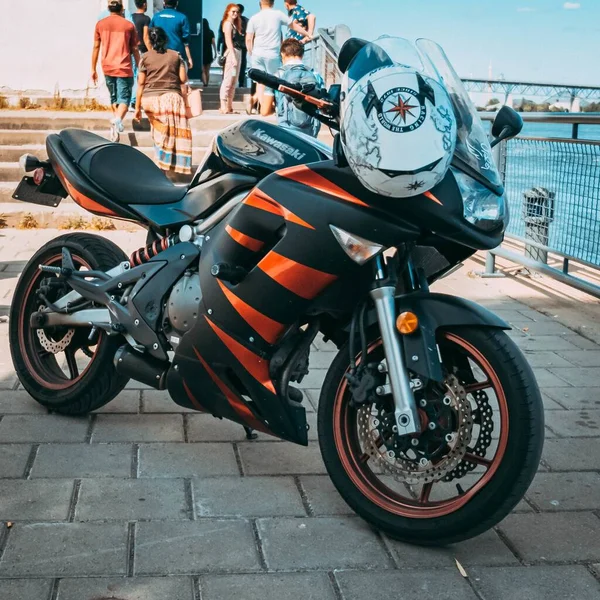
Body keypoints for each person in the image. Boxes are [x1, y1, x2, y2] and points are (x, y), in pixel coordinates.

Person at [134, 27, 192, 176]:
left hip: (149, 101)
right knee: (167, 134)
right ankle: (162, 169)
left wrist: (137, 108)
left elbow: (141, 83)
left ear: (151, 41)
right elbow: (183, 79)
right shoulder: (175, 55)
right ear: (165, 39)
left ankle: (161, 166)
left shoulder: (145, 57)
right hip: (170, 99)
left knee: (159, 132)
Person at [246, 0, 311, 117]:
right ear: (273, 3)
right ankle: (271, 107)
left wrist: (251, 51)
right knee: (274, 80)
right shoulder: (278, 14)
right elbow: (293, 26)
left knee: (260, 81)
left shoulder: (254, 18)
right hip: (272, 53)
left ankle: (262, 107)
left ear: (260, 3)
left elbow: (249, 38)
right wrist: (307, 34)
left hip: (257, 53)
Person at [92, 1, 140, 142]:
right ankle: (118, 119)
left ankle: (115, 127)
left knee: (114, 98)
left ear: (108, 8)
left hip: (107, 67)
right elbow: (135, 49)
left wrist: (93, 68)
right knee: (124, 99)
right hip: (123, 67)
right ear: (122, 9)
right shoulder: (129, 25)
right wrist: (140, 65)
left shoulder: (100, 24)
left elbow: (96, 47)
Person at [276, 38, 323, 138]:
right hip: (310, 127)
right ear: (302, 55)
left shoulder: (278, 74)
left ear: (283, 54)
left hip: (287, 126)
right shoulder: (314, 74)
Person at [151, 0, 193, 69]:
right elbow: (186, 41)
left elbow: (150, 35)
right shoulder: (182, 18)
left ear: (164, 3)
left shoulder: (156, 17)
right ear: (177, 3)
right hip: (176, 55)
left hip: (159, 55)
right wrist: (189, 59)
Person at [219, 4, 245, 114]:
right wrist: (233, 57)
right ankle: (223, 105)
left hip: (238, 52)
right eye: (233, 11)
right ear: (228, 12)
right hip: (232, 53)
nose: (235, 14)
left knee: (234, 80)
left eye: (237, 12)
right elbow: (228, 41)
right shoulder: (227, 24)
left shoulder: (236, 24)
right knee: (228, 79)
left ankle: (229, 106)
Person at [131, 0, 152, 108]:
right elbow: (145, 37)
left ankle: (132, 100)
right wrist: (152, 52)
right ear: (144, 4)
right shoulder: (146, 19)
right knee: (139, 76)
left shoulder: (131, 17)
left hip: (131, 49)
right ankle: (134, 102)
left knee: (133, 75)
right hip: (142, 50)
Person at [237, 4, 249, 88]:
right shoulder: (247, 20)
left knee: (239, 65)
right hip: (243, 46)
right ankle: (240, 82)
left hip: (239, 46)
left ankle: (239, 82)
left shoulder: (233, 21)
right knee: (242, 64)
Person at [202, 18, 216, 86]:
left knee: (203, 70)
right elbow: (213, 43)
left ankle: (204, 83)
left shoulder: (201, 33)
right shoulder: (211, 32)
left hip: (202, 52)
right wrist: (215, 52)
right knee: (207, 70)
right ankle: (207, 83)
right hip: (209, 52)